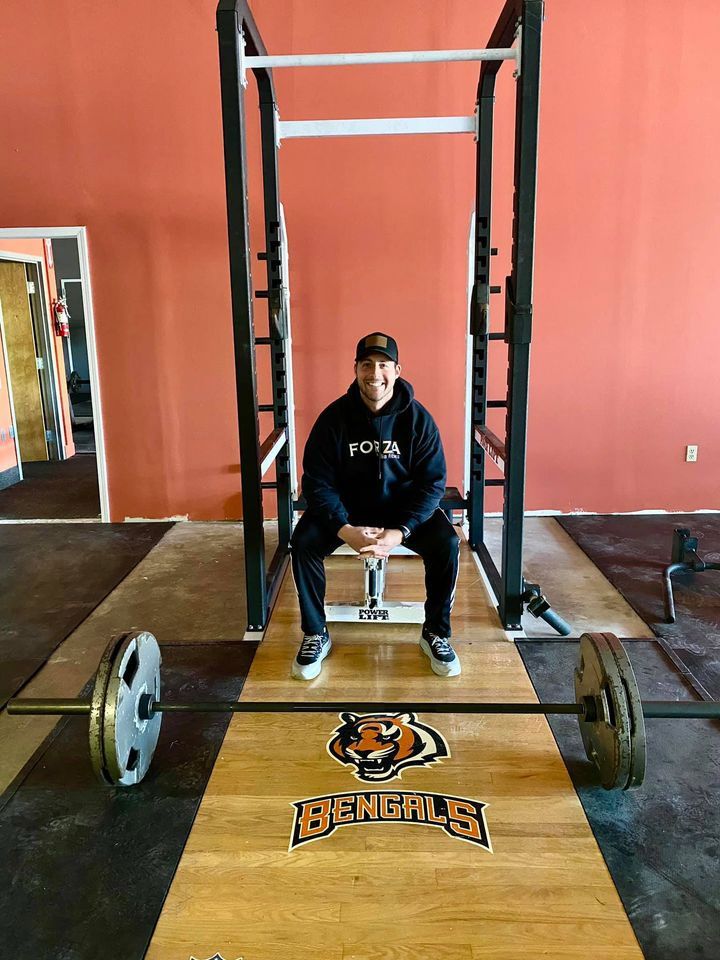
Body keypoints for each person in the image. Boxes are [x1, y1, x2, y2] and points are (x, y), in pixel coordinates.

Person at [290, 331, 461, 681]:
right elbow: (316, 482)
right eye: (366, 364)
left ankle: (436, 633)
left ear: (397, 370)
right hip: (348, 511)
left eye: (383, 365)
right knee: (303, 541)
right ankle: (315, 632)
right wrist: (343, 529)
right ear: (355, 369)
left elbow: (433, 484)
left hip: (401, 513)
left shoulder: (418, 420)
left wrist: (402, 531)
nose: (375, 374)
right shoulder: (333, 419)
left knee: (447, 543)